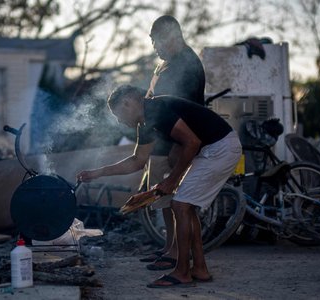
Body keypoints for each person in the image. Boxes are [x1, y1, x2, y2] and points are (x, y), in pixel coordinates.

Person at [76, 85, 242, 288]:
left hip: (221, 147)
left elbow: (191, 142)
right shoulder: (145, 122)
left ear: (128, 103)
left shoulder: (156, 109)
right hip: (212, 148)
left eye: (118, 114)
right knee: (185, 206)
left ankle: (182, 272)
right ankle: (199, 268)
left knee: (180, 205)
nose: (119, 121)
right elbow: (137, 160)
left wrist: (172, 179)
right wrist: (96, 173)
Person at [139, 15, 206, 270]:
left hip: (176, 143)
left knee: (177, 201)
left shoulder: (187, 63)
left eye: (156, 40)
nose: (154, 46)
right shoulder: (165, 64)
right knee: (164, 200)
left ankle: (177, 252)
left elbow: (187, 111)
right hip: (162, 140)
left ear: (172, 36)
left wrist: (179, 146)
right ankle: (169, 247)